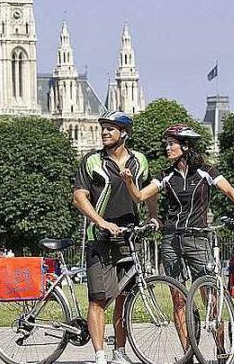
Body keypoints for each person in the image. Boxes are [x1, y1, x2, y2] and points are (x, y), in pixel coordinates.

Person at [121, 124, 234, 361]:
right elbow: (140, 196)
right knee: (178, 299)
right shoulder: (165, 175)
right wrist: (129, 182)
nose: (167, 147)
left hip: (197, 239)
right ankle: (187, 355)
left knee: (209, 296)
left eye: (172, 143)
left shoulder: (206, 172)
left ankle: (221, 350)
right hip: (171, 240)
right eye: (166, 143)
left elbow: (229, 191)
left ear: (186, 145)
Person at [73, 111, 157, 364]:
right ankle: (99, 355)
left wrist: (153, 216)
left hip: (129, 237)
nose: (105, 132)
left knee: (124, 298)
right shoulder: (91, 161)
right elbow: (79, 197)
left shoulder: (139, 161)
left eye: (111, 128)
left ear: (124, 133)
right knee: (99, 298)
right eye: (103, 129)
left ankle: (119, 352)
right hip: (100, 237)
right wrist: (101, 222)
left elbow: (148, 191)